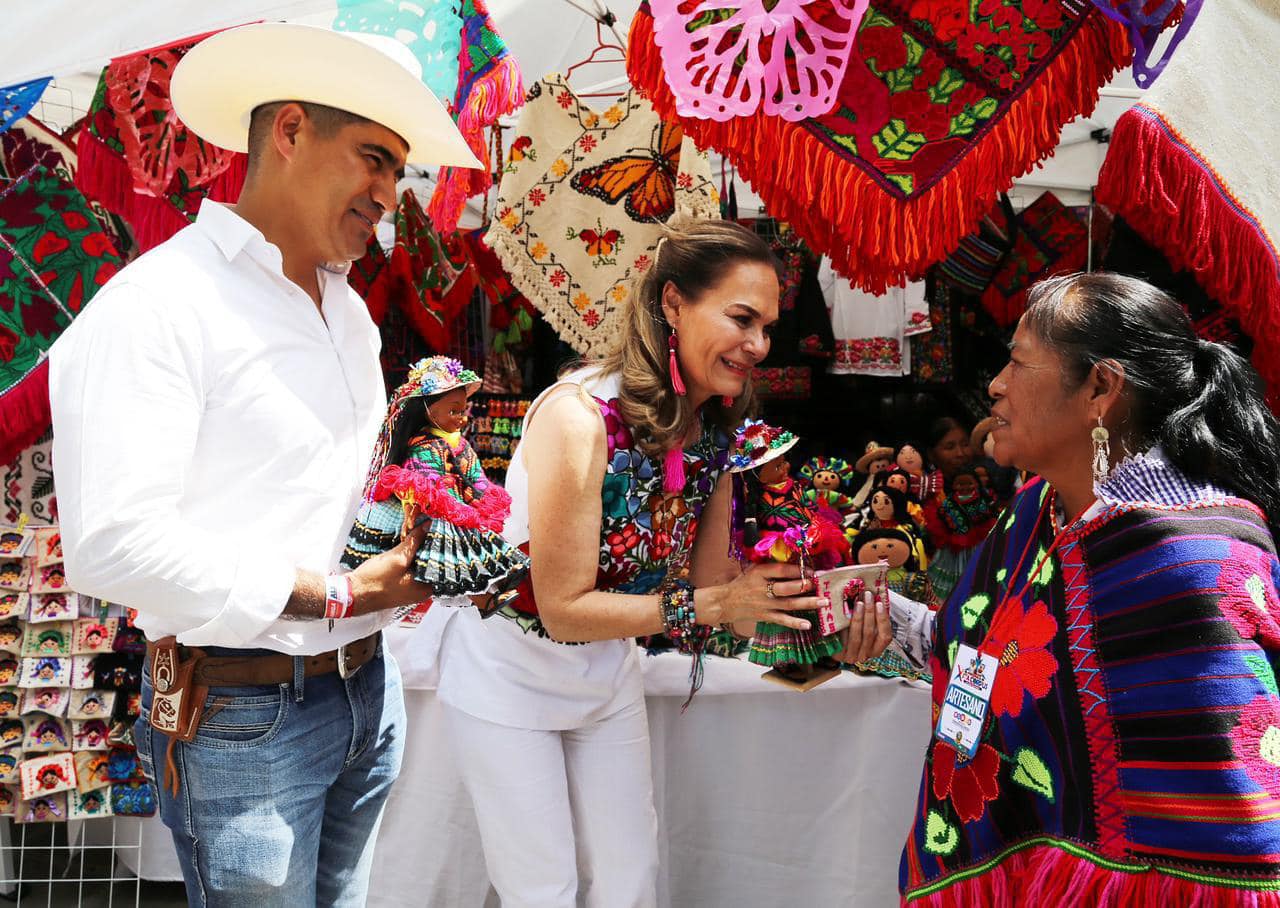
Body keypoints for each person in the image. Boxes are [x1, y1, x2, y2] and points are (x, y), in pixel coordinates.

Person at [48, 23, 479, 907]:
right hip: (245, 717)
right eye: (374, 159)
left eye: (399, 171)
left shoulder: (348, 312)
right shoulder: (157, 306)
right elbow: (113, 545)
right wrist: (338, 595)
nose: (390, 195)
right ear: (289, 132)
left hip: (365, 692)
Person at [419, 217, 890, 907]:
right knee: (542, 891)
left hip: (607, 676)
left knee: (631, 884)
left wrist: (820, 614)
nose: (758, 345)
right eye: (741, 318)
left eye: (767, 327)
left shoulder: (719, 434)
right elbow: (565, 608)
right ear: (673, 303)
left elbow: (714, 593)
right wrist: (720, 604)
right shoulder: (577, 418)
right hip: (506, 680)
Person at [892, 273, 1280, 903]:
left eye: (1017, 363)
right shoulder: (1036, 513)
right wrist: (874, 617)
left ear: (1100, 388)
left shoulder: (1191, 566)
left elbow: (1235, 836)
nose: (994, 386)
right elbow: (976, 648)